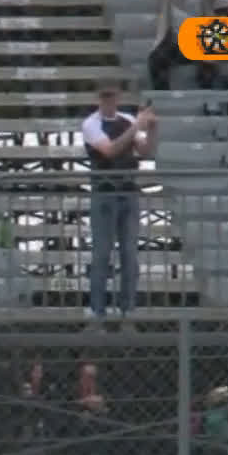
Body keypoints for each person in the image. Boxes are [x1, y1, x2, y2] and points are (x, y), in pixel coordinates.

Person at [81, 82, 155, 319]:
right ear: (98, 99)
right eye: (104, 97)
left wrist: (152, 128)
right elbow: (110, 150)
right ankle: (97, 311)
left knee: (130, 255)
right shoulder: (91, 124)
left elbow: (145, 151)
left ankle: (128, 310)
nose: (108, 101)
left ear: (118, 97)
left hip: (128, 190)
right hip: (104, 192)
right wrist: (136, 128)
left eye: (112, 96)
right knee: (102, 255)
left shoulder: (127, 120)